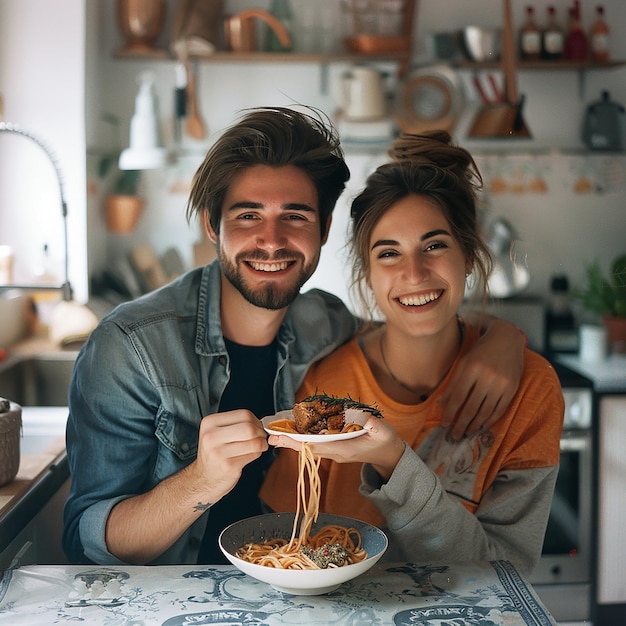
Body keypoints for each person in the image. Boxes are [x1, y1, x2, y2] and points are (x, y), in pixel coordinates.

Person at [63, 108, 525, 567]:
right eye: (247, 216)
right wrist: (201, 481)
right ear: (212, 225)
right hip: (172, 602)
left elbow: (413, 328)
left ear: (324, 229)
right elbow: (89, 541)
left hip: (290, 592)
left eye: (295, 216)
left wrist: (503, 338)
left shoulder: (325, 322)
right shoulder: (129, 348)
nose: (271, 240)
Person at [261, 130, 564, 576]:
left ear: (470, 256)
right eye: (389, 254)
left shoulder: (531, 391)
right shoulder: (326, 388)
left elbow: (503, 574)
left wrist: (392, 462)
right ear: (367, 276)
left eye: (435, 245)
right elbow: (284, 547)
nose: (414, 272)